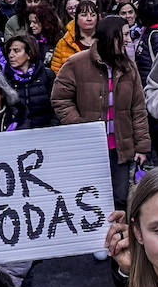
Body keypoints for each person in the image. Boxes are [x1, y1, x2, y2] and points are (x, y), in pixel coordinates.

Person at [51, 15, 150, 210]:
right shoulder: (76, 63)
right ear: (111, 37)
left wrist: (142, 147)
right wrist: (81, 127)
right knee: (91, 199)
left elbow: (138, 109)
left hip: (120, 149)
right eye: (125, 35)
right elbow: (60, 98)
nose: (129, 40)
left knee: (120, 199)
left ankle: (119, 237)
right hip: (89, 150)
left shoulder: (129, 67)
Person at [4, 33, 57, 129]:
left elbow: (56, 106)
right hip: (17, 133)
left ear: (29, 54)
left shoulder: (47, 75)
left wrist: (52, 127)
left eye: (16, 51)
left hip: (47, 131)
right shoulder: (5, 79)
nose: (11, 55)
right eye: (9, 51)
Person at [51, 0, 100, 72]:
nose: (89, 19)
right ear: (76, 18)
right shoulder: (64, 43)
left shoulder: (105, 40)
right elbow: (56, 71)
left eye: (93, 15)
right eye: (84, 15)